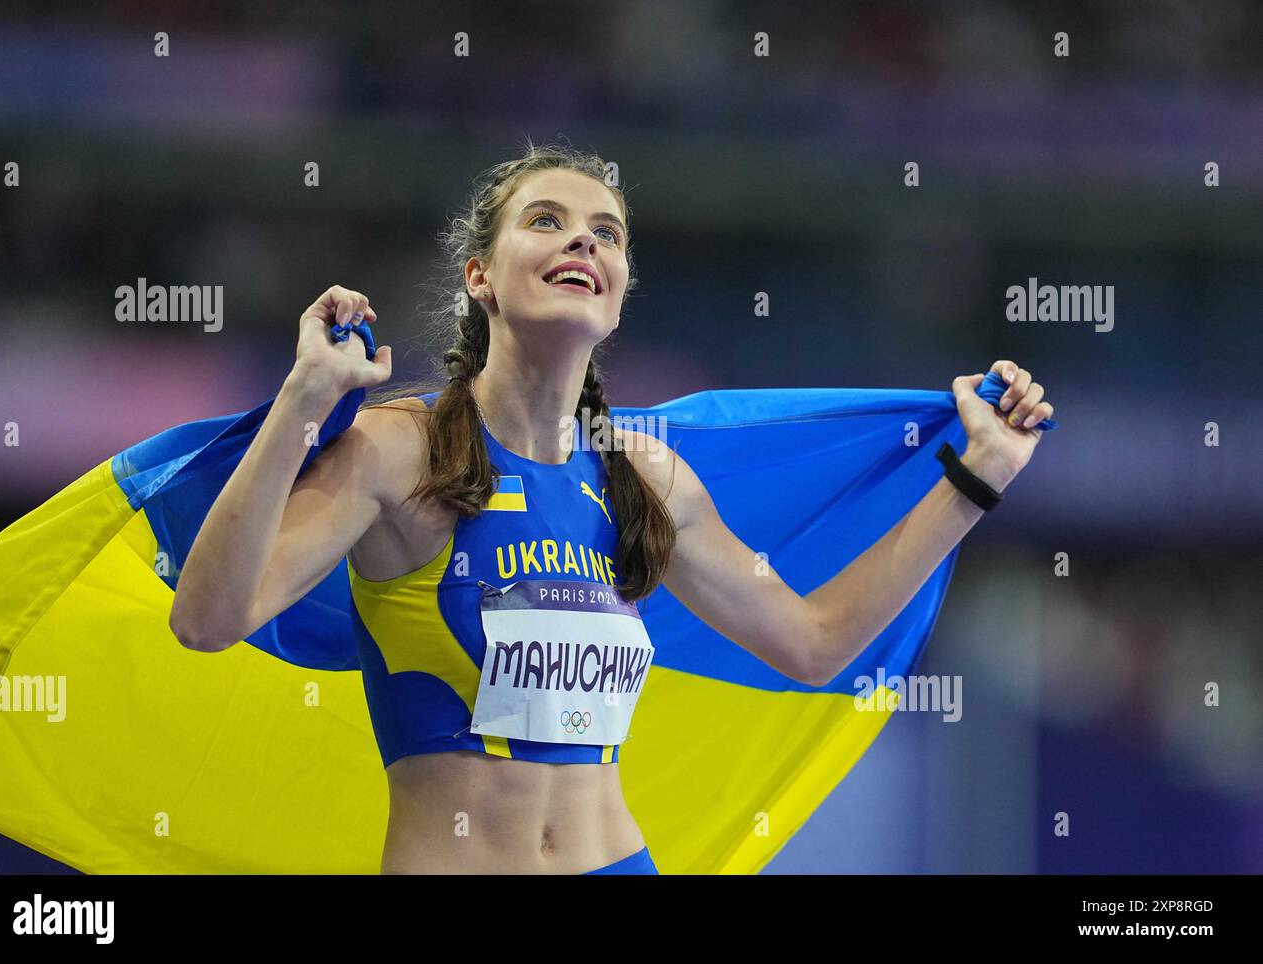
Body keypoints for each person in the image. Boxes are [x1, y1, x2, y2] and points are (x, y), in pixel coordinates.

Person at [167, 141, 1054, 875]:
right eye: (546, 222)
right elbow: (208, 618)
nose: (582, 244)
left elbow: (813, 642)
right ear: (480, 275)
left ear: (621, 288)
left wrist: (974, 479)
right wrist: (303, 402)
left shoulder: (647, 477)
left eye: (607, 235)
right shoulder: (402, 450)